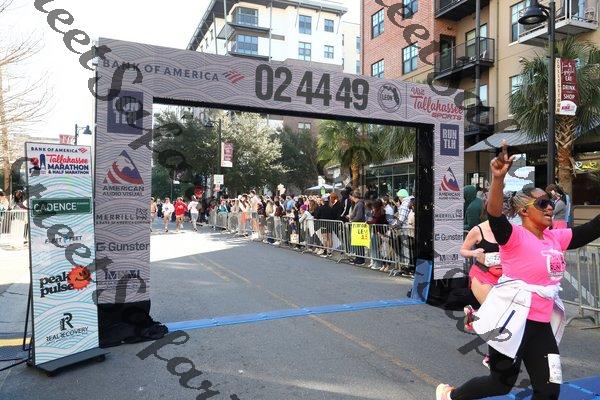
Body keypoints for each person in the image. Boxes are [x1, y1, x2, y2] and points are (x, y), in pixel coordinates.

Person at [436, 141, 600, 400]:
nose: (550, 207)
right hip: (511, 323)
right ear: (524, 210)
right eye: (542, 203)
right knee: (499, 385)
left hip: (541, 325)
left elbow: (591, 229)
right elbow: (494, 215)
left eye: (550, 202)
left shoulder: (555, 238)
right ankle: (451, 396)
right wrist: (498, 179)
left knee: (549, 391)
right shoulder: (514, 237)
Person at [348, 190, 366, 265]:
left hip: (359, 225)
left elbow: (359, 216)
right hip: (357, 225)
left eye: (351, 197)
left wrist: (352, 220)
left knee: (359, 243)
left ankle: (361, 259)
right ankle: (358, 258)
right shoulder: (358, 203)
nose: (350, 198)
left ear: (353, 196)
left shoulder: (359, 204)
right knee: (357, 242)